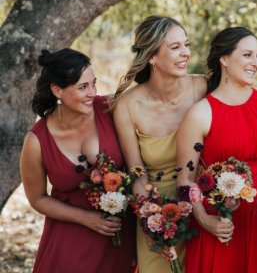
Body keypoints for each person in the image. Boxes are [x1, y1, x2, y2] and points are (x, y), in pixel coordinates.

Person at [176, 26, 257, 273]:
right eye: (247, 55)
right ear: (225, 59)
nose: (255, 63)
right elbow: (184, 181)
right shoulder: (200, 114)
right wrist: (205, 220)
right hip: (222, 227)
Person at [20, 49, 135, 273]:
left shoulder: (111, 108)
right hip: (69, 237)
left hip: (119, 234)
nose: (93, 92)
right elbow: (37, 199)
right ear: (57, 90)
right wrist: (85, 218)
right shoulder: (36, 141)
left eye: (94, 83)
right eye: (83, 87)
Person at [112, 16, 206, 271]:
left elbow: (242, 100)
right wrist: (155, 226)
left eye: (186, 45)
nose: (185, 53)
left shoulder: (203, 87)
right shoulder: (128, 106)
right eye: (175, 48)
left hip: (204, 206)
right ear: (152, 56)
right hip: (156, 212)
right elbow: (137, 174)